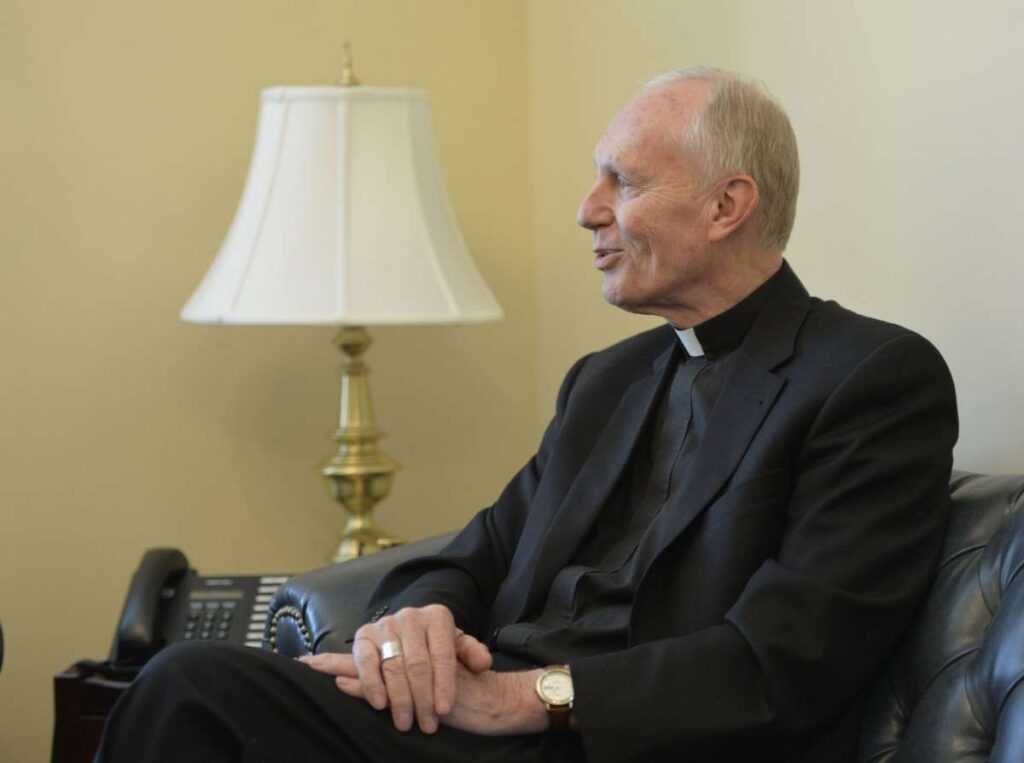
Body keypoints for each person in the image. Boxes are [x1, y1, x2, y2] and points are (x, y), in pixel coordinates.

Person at [97, 66, 957, 762]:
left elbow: (788, 658)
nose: (587, 210)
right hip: (487, 722)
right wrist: (420, 621)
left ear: (727, 205)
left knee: (192, 692)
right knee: (193, 684)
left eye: (621, 181)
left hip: (629, 739)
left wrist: (526, 696)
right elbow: (479, 552)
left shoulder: (872, 378)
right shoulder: (607, 381)